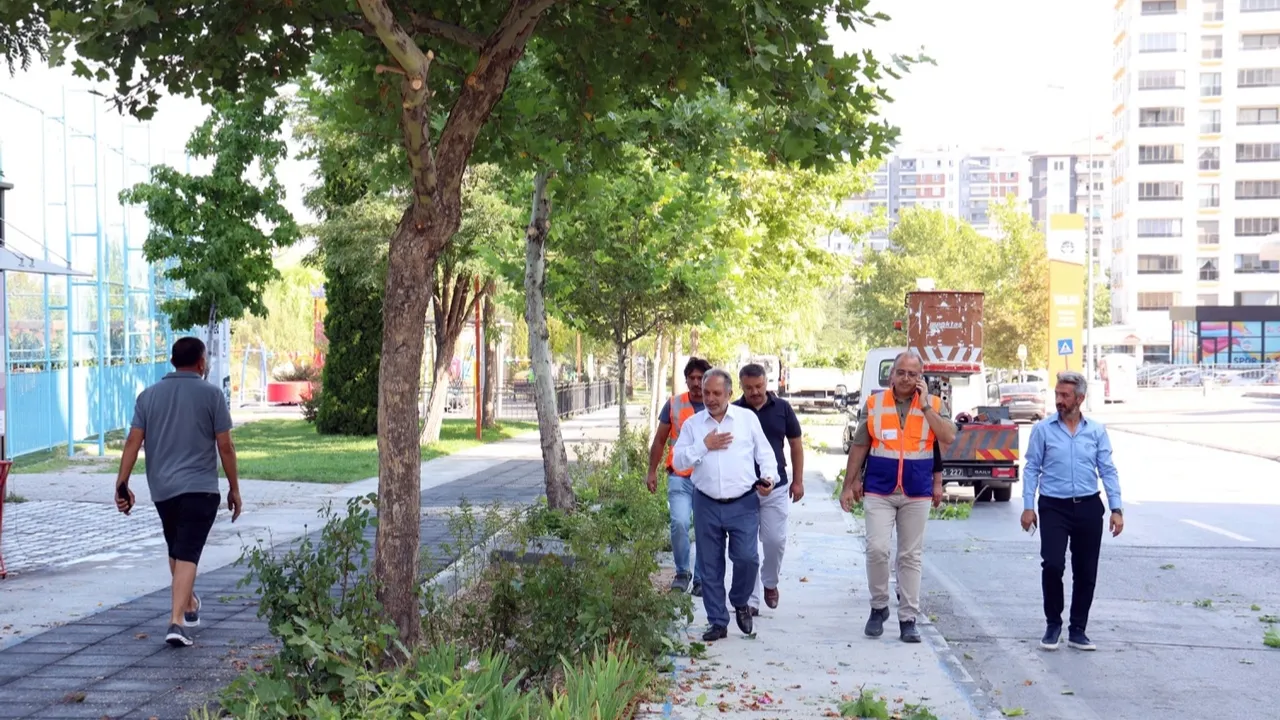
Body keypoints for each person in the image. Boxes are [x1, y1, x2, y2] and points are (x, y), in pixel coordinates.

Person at [114, 337, 243, 648]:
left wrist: (122, 483)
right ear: (201, 362)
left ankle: (189, 602)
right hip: (200, 489)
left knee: (178, 550)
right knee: (184, 551)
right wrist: (234, 488)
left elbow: (133, 441)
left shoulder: (148, 397)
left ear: (173, 361)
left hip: (163, 490)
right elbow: (225, 446)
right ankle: (176, 622)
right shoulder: (212, 395)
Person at [840, 350, 957, 643]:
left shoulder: (934, 404)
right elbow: (860, 445)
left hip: (916, 490)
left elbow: (947, 437)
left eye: (913, 374)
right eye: (901, 372)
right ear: (891, 375)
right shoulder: (875, 403)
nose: (906, 378)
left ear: (921, 378)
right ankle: (879, 606)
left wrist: (926, 406)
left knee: (910, 556)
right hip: (880, 488)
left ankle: (908, 618)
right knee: (876, 549)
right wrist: (848, 484)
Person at [1021, 370, 1123, 652]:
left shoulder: (1096, 431)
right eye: (1057, 394)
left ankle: (1078, 629)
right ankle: (1053, 624)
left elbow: (1107, 470)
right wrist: (1028, 506)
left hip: (1088, 506)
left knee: (1086, 571)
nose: (1059, 400)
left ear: (1080, 398)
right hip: (1053, 507)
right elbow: (1031, 468)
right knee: (1053, 565)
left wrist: (1116, 508)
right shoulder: (1043, 430)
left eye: (1065, 395)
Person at [673, 368, 777, 642]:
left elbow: (766, 455)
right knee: (710, 566)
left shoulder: (746, 419)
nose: (710, 398)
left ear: (729, 393)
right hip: (706, 502)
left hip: (743, 502)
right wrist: (704, 445)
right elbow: (678, 461)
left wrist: (769, 478)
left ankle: (740, 600)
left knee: (747, 558)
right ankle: (717, 621)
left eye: (717, 393)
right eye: (706, 393)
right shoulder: (693, 425)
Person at [733, 363, 803, 613]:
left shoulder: (782, 408)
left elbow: (796, 445)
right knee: (747, 548)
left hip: (777, 487)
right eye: (749, 387)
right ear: (741, 387)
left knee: (775, 540)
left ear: (766, 383)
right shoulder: (734, 411)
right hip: (743, 490)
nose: (754, 392)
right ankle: (750, 601)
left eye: (759, 386)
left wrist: (798, 480)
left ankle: (770, 582)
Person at [647, 357, 714, 595]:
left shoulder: (716, 405)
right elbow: (660, 440)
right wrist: (651, 471)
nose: (696, 382)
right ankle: (682, 572)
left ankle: (701, 578)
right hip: (680, 476)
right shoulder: (674, 404)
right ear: (686, 380)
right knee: (679, 523)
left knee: (706, 529)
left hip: (707, 479)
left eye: (700, 378)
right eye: (691, 378)